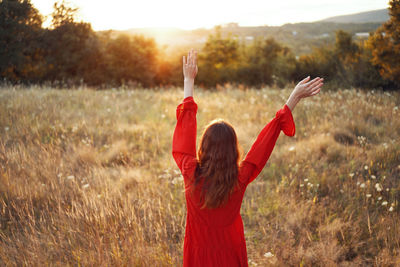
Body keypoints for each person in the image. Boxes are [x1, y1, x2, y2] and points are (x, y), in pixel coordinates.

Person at [172, 49, 323, 267]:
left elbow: (184, 137)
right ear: (233, 150)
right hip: (230, 254)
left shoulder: (191, 173)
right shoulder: (240, 178)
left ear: (203, 147)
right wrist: (293, 98)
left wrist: (188, 82)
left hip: (198, 257)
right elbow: (264, 143)